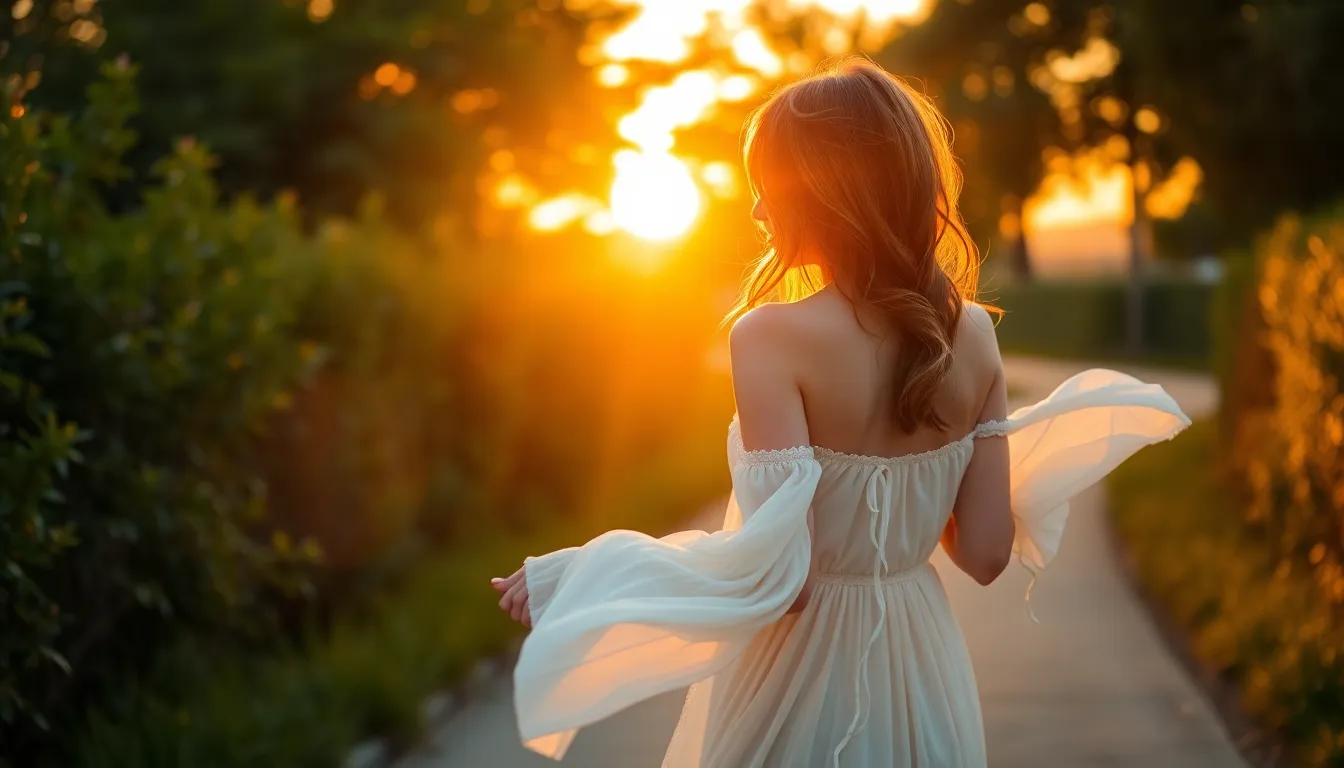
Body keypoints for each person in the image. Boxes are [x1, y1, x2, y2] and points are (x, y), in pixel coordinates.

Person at [490, 58, 1189, 767]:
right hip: (924, 670)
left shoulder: (767, 339)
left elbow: (782, 581)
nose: (759, 211)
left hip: (798, 680)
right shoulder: (974, 334)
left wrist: (591, 575)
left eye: (768, 189)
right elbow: (983, 555)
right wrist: (912, 493)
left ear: (826, 193)